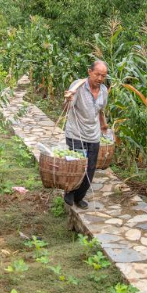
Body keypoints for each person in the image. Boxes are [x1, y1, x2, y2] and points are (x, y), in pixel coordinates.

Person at [63, 60, 108, 209]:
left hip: (93, 135)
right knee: (76, 167)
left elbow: (100, 110)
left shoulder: (103, 91)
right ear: (90, 72)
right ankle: (69, 192)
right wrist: (68, 99)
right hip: (76, 134)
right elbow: (67, 107)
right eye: (97, 74)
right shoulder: (78, 86)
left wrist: (103, 125)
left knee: (90, 169)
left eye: (103, 76)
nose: (100, 78)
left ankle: (79, 196)